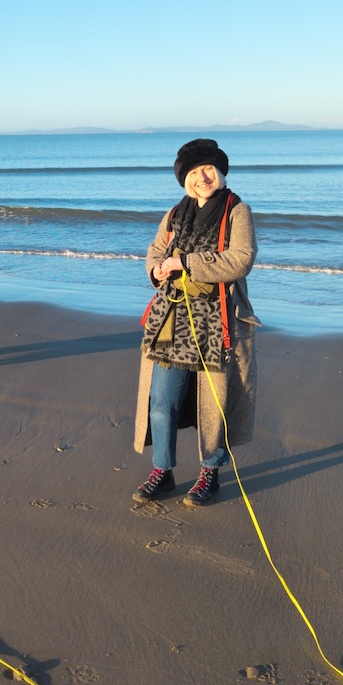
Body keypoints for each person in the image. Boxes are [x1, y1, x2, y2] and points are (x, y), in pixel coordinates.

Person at [132, 138, 261, 506]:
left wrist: (185, 263)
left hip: (218, 321)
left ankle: (210, 474)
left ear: (220, 172)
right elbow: (155, 251)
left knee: (213, 404)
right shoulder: (174, 213)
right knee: (162, 400)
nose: (201, 177)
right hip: (172, 318)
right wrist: (157, 270)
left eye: (207, 169)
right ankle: (163, 470)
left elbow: (240, 260)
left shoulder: (238, 211)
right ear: (183, 180)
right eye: (192, 172)